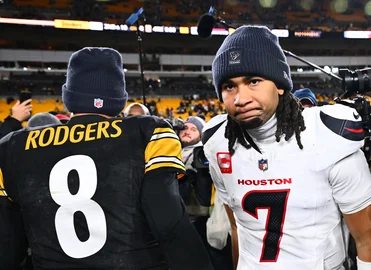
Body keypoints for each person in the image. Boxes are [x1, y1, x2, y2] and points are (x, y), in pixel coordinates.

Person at [0, 47, 213, 270]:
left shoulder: (12, 146)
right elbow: (169, 223)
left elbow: (7, 246)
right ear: (119, 97)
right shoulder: (149, 132)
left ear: (69, 95)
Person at [202, 26, 371, 270]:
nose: (240, 98)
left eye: (253, 81)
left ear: (279, 85)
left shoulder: (328, 136)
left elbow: (367, 238)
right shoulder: (218, 141)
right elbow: (238, 228)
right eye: (229, 86)